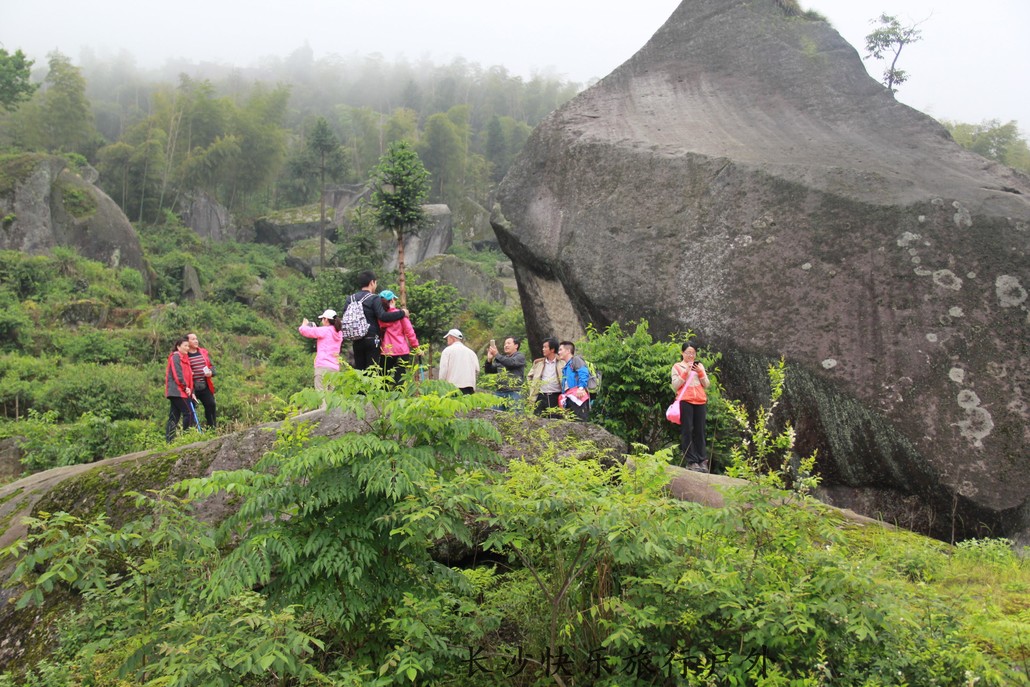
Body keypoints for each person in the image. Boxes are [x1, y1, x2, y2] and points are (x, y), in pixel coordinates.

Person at [347, 271, 407, 371]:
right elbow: (383, 316)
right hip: (371, 339)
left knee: (360, 372)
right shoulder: (374, 298)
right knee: (371, 372)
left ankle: (361, 387)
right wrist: (402, 313)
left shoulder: (351, 299)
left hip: (356, 339)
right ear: (372, 283)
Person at [671, 343, 711, 471]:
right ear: (682, 353)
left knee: (700, 431)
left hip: (700, 401)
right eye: (688, 352)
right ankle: (691, 461)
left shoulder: (699, 366)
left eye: (693, 353)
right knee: (687, 430)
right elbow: (675, 385)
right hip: (685, 400)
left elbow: (706, 384)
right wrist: (685, 372)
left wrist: (700, 372)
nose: (691, 355)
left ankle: (702, 460)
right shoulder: (677, 367)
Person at [298, 309, 343, 399]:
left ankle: (322, 412)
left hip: (323, 367)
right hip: (334, 369)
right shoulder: (339, 333)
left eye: (322, 319)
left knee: (321, 394)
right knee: (331, 397)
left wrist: (304, 325)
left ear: (326, 319)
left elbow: (305, 331)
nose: (321, 321)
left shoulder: (325, 330)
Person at [378, 289, 419, 385]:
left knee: (383, 380)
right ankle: (399, 398)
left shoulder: (380, 317)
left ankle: (383, 399)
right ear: (392, 300)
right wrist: (416, 347)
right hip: (401, 351)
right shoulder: (401, 314)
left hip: (386, 352)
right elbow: (410, 332)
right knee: (400, 380)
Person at [165, 337, 195, 442]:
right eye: (185, 346)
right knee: (189, 413)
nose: (187, 348)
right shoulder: (176, 357)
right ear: (178, 347)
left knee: (174, 416)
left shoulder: (185, 359)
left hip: (182, 391)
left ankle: (170, 440)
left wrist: (191, 389)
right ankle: (187, 437)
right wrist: (185, 387)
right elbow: (177, 374)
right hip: (177, 391)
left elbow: (189, 375)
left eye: (188, 346)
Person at [484, 336, 526, 408]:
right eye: (505, 344)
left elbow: (510, 363)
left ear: (516, 346)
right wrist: (489, 360)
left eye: (508, 343)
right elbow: (489, 370)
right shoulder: (502, 358)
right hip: (500, 392)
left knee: (515, 417)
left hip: (514, 392)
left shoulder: (519, 356)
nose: (506, 345)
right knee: (495, 415)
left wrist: (497, 354)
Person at [186, 332, 216, 428]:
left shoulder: (203, 352)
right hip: (192, 387)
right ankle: (190, 432)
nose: (196, 341)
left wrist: (211, 372)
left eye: (196, 339)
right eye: (193, 339)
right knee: (190, 410)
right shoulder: (185, 355)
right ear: (187, 342)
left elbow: (212, 366)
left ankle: (212, 429)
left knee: (211, 405)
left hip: (204, 384)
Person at [527, 337, 562, 415]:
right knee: (538, 419)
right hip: (541, 396)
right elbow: (529, 376)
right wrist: (532, 387)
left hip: (556, 396)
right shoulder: (538, 363)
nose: (543, 349)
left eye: (545, 347)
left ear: (552, 349)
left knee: (556, 420)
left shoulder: (562, 363)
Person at [438, 328, 479, 394]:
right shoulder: (471, 353)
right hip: (469, 388)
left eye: (448, 338)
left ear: (451, 337)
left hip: (452, 388)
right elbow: (477, 370)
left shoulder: (447, 351)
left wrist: (441, 385)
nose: (447, 340)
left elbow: (443, 370)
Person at [557, 340, 590, 422]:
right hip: (569, 397)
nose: (558, 352)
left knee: (579, 421)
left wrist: (581, 387)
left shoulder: (576, 360)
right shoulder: (566, 366)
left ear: (568, 351)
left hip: (578, 396)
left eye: (561, 350)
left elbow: (584, 372)